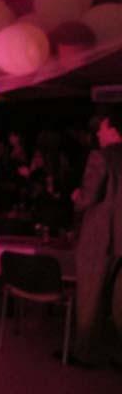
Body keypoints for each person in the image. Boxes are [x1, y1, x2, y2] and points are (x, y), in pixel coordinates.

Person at [71, 112, 122, 369]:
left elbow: (86, 200)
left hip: (98, 238)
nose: (98, 134)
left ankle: (85, 353)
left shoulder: (100, 157)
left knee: (90, 295)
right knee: (116, 300)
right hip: (119, 240)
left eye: (102, 129)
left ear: (114, 130)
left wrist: (77, 196)